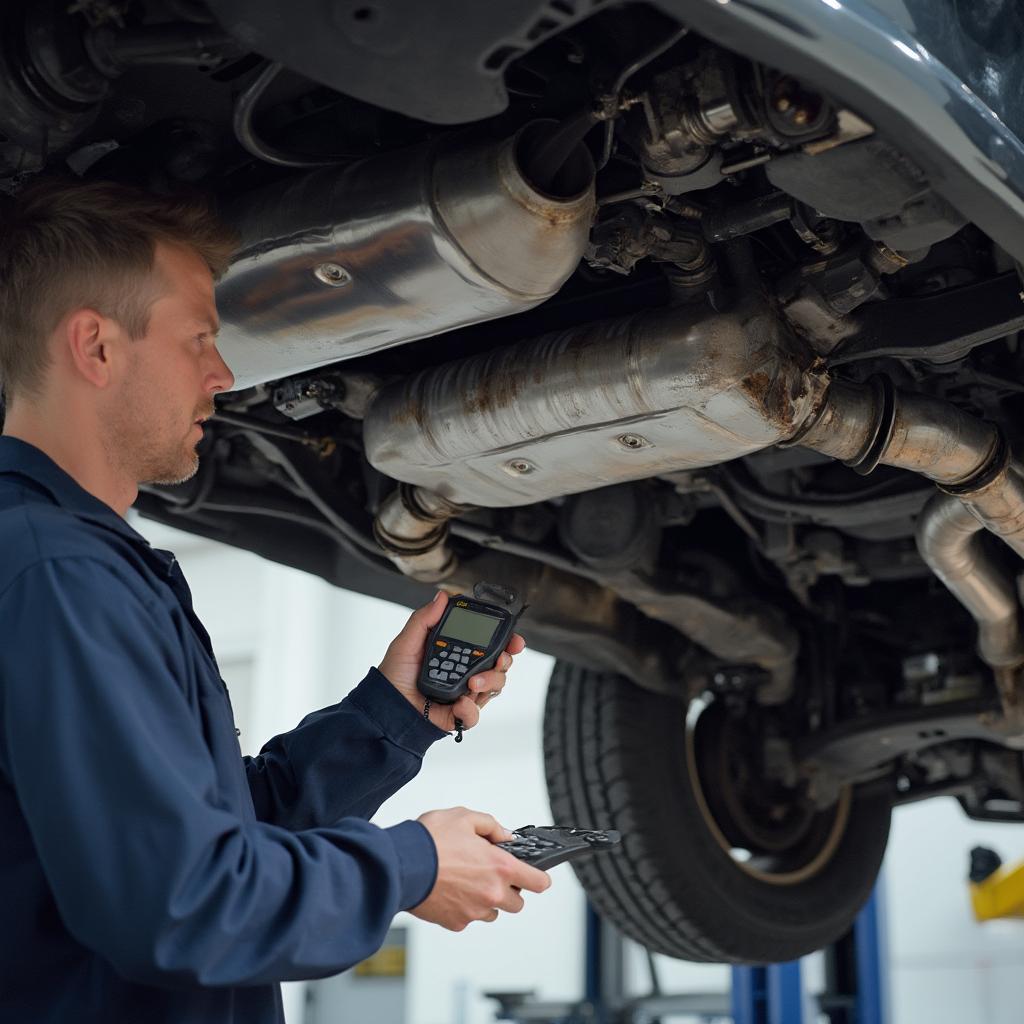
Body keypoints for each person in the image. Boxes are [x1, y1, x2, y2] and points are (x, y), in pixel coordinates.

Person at [0, 179, 551, 1023]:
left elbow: (217, 834)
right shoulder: (56, 571)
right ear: (96, 348)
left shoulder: (71, 563)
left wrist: (396, 712)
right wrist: (411, 866)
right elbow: (182, 903)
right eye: (198, 340)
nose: (222, 375)